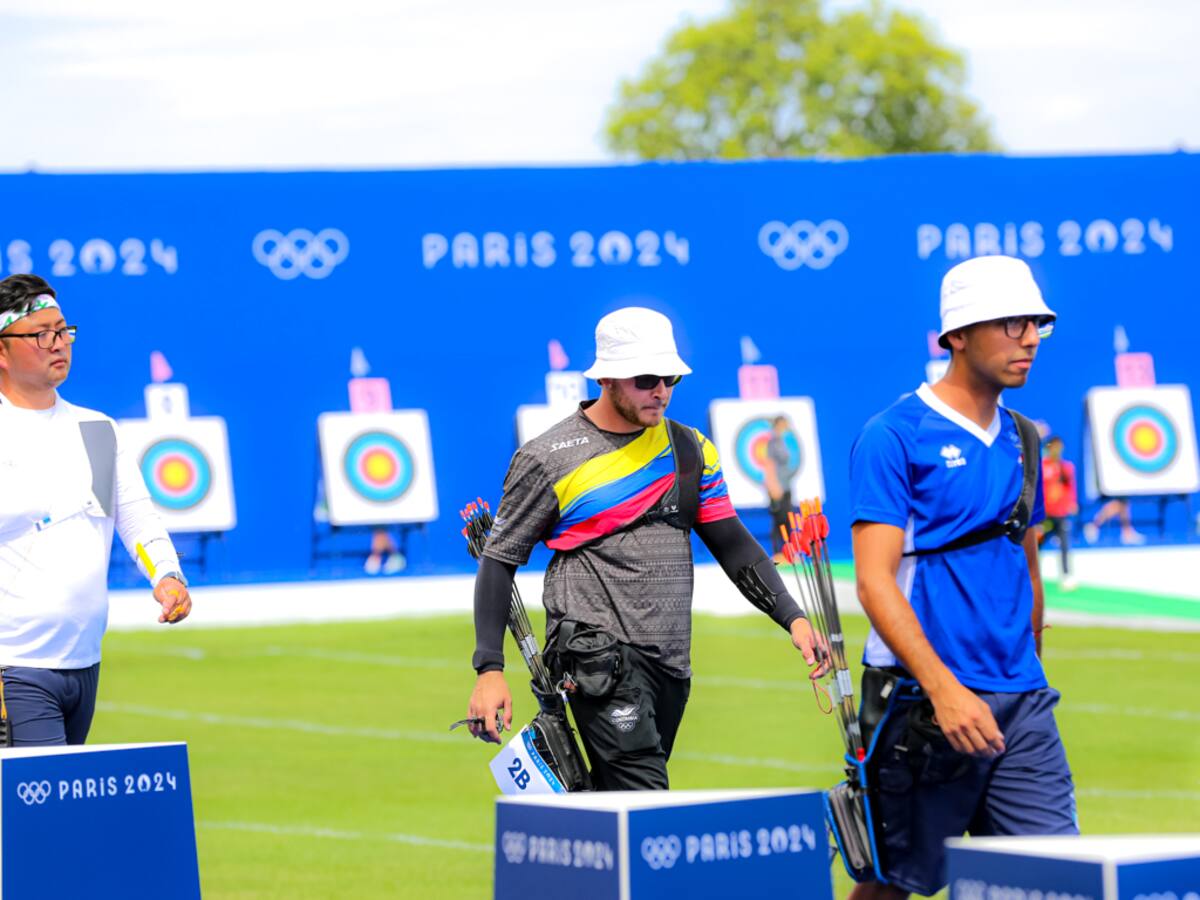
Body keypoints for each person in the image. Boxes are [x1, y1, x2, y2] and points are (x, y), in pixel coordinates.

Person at [466, 306, 827, 790]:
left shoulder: (690, 450)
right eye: (645, 379)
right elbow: (498, 560)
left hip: (670, 664)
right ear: (606, 378)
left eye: (669, 378)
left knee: (615, 806)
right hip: (597, 658)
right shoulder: (547, 458)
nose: (661, 390)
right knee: (647, 803)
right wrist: (489, 669)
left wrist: (794, 617)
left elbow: (733, 544)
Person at [848, 256, 1077, 898]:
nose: (1029, 339)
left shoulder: (1024, 436)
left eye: (1036, 324)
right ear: (956, 335)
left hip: (1022, 702)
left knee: (1056, 879)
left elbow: (1026, 564)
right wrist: (945, 689)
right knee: (892, 885)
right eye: (1010, 324)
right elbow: (873, 582)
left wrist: (1029, 667)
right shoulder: (894, 435)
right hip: (921, 703)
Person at [0, 274, 192, 746]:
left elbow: (135, 517)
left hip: (84, 661)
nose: (58, 343)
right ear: (2, 351)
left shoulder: (97, 429)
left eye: (63, 330)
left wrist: (167, 575)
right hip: (14, 667)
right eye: (40, 334)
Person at [1040, 435, 1078, 590]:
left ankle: (1066, 575)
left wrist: (1072, 502)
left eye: (1059, 447)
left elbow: (1070, 487)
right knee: (1037, 544)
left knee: (1064, 545)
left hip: (1061, 513)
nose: (1057, 450)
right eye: (1054, 447)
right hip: (1045, 515)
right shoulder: (1042, 466)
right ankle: (1033, 573)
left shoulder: (1066, 467)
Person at [762, 414, 799, 559]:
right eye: (784, 424)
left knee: (787, 519)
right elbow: (769, 464)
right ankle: (778, 553)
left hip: (786, 486)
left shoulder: (785, 441)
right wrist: (773, 486)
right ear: (778, 425)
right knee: (779, 520)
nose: (787, 427)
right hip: (777, 487)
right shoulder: (773, 442)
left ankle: (788, 552)